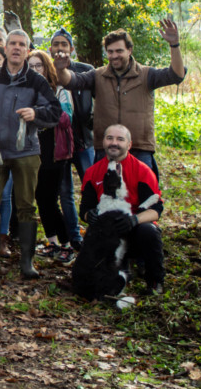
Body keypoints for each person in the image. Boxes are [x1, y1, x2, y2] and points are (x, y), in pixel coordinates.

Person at [0, 30, 62, 278]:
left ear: (27, 50)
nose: (17, 48)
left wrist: (36, 114)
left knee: (26, 206)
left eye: (22, 44)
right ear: (6, 47)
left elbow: (54, 111)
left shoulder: (37, 81)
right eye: (13, 43)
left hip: (26, 152)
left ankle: (27, 263)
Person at [55, 22, 186, 179]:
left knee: (142, 199)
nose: (114, 55)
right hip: (106, 150)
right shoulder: (97, 75)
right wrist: (61, 69)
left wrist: (174, 45)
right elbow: (71, 81)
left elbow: (176, 75)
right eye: (110, 52)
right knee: (105, 200)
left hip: (139, 149)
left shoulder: (146, 75)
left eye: (119, 51)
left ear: (129, 50)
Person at [80, 124, 164, 294]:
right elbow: (84, 209)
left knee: (149, 231)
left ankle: (155, 282)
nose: (114, 143)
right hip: (108, 234)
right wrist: (91, 216)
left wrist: (134, 220)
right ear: (103, 142)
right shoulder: (92, 172)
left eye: (120, 139)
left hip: (135, 230)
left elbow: (156, 210)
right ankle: (101, 280)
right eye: (109, 138)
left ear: (129, 144)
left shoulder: (143, 171)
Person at [27, 50, 76, 264]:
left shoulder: (59, 90)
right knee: (40, 199)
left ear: (47, 67)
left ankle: (68, 244)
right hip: (33, 151)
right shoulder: (26, 89)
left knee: (51, 199)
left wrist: (38, 113)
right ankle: (52, 242)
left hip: (56, 153)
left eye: (39, 65)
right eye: (31, 66)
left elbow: (65, 118)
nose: (35, 69)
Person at [49, 28, 93, 250]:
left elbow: (93, 103)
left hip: (84, 141)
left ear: (71, 49)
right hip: (59, 145)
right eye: (56, 44)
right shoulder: (47, 73)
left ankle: (96, 231)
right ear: (50, 48)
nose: (59, 49)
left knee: (93, 186)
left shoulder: (85, 72)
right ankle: (74, 236)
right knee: (65, 191)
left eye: (64, 45)